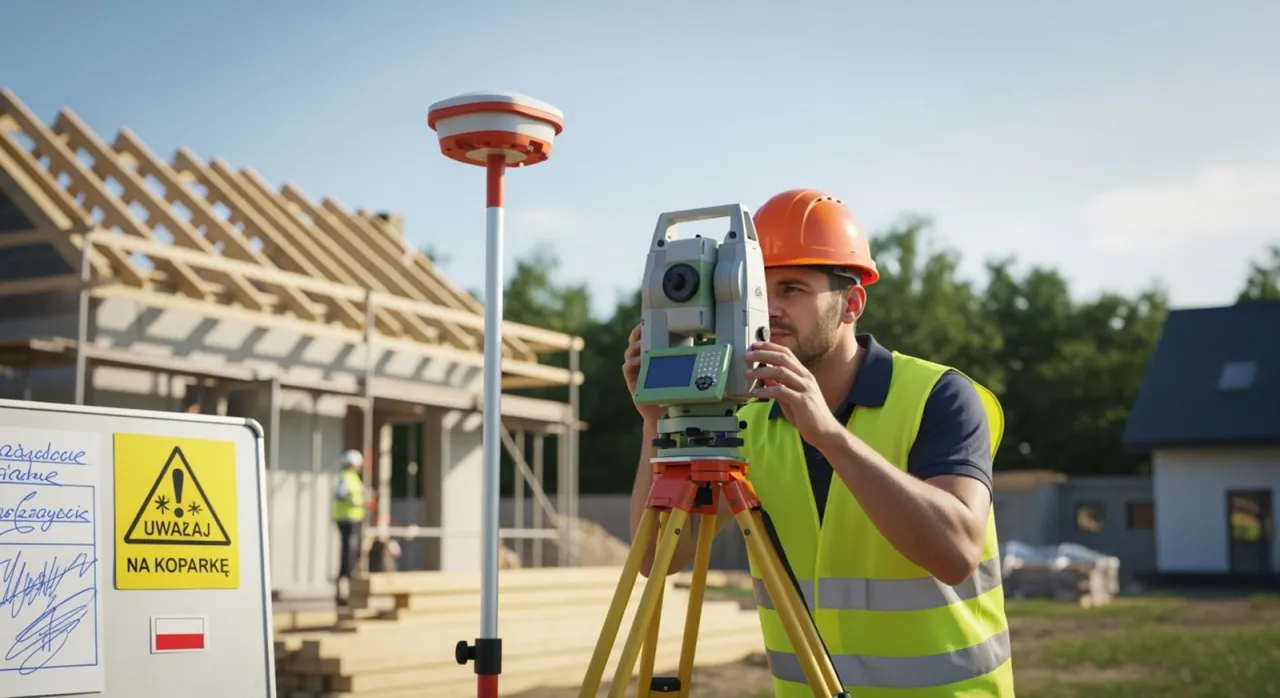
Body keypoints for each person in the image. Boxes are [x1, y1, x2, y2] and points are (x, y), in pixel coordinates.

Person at [622, 189, 1013, 696]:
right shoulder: (750, 420)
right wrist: (656, 422)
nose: (770, 309)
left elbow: (956, 552)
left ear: (851, 304)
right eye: (757, 290)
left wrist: (827, 434)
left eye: (792, 289)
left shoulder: (940, 397)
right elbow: (657, 558)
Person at [332, 448, 367, 606]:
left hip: (354, 519)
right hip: (347, 520)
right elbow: (341, 494)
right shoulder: (346, 477)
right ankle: (346, 588)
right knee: (348, 553)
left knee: (353, 552)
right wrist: (356, 502)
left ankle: (349, 585)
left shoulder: (352, 477)